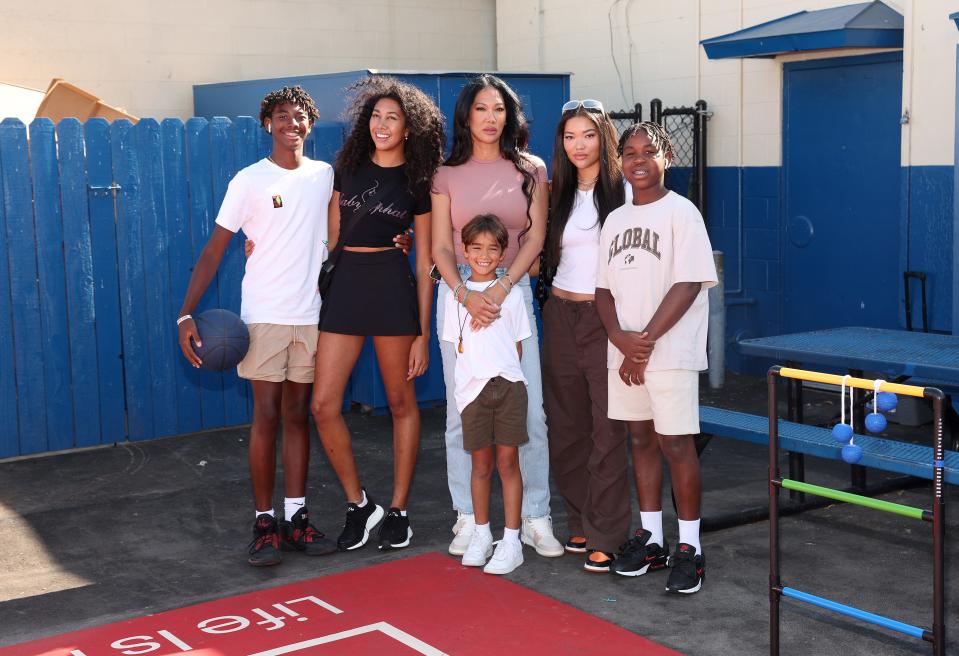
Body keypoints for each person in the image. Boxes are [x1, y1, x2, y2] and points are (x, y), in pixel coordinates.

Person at [176, 86, 337, 567]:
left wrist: (399, 236)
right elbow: (215, 248)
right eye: (281, 115)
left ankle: (296, 518)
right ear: (267, 124)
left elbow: (339, 232)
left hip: (310, 316)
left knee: (298, 416)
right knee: (266, 415)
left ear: (310, 123)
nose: (292, 122)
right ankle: (264, 521)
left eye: (300, 115)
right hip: (264, 314)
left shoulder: (325, 175)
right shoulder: (248, 180)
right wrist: (186, 312)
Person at [309, 76, 445, 552]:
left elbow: (426, 261)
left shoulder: (420, 182)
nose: (382, 124)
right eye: (376, 116)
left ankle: (400, 511)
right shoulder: (344, 168)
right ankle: (360, 505)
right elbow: (328, 239)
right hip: (345, 288)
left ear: (409, 128)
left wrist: (423, 334)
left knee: (400, 404)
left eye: (393, 118)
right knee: (323, 405)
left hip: (392, 288)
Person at [431, 74, 562, 558]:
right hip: (458, 294)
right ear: (466, 115)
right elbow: (442, 245)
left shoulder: (531, 169)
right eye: (481, 108)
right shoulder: (445, 174)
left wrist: (504, 287)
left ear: (510, 116)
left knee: (529, 410)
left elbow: (536, 235)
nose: (490, 118)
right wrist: (466, 294)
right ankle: (468, 515)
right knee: (459, 411)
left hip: (514, 290)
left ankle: (535, 517)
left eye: (499, 109)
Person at [595, 122, 717, 593]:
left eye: (649, 151)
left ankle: (691, 547)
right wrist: (620, 340)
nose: (638, 160)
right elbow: (602, 290)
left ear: (666, 156)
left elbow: (687, 283)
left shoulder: (682, 213)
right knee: (640, 441)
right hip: (624, 352)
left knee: (676, 445)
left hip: (668, 352)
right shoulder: (616, 219)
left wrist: (641, 342)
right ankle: (652, 539)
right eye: (629, 152)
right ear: (620, 161)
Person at [539, 99, 631, 573]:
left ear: (604, 138)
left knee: (607, 428)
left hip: (605, 318)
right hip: (559, 313)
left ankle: (608, 532)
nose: (579, 145)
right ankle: (580, 516)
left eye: (589, 135)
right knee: (567, 428)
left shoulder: (625, 193)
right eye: (571, 136)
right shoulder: (553, 192)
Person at [441, 214, 530, 575]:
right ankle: (481, 533)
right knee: (480, 465)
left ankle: (511, 541)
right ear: (464, 250)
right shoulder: (453, 297)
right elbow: (455, 347)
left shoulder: (514, 296)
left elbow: (518, 348)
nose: (484, 255)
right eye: (476, 247)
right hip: (472, 393)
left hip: (508, 388)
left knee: (508, 463)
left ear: (503, 254)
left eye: (493, 249)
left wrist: (502, 370)